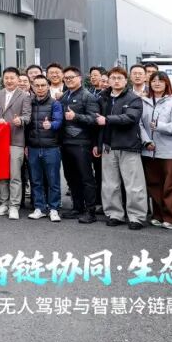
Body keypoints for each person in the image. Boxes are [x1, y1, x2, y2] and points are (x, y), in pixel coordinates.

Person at [95, 66, 148, 229]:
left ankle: (137, 217)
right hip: (108, 146)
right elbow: (97, 123)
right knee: (110, 184)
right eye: (113, 78)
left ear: (126, 81)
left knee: (134, 185)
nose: (116, 81)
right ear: (108, 80)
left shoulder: (133, 99)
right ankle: (114, 214)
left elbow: (131, 118)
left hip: (128, 146)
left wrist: (108, 119)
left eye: (120, 78)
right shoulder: (102, 98)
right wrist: (98, 144)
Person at [140, 72, 172, 230]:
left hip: (169, 151)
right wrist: (146, 141)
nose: (157, 83)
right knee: (154, 184)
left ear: (167, 84)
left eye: (160, 81)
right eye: (153, 81)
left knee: (170, 185)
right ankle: (158, 215)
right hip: (149, 150)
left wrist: (159, 126)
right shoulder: (144, 102)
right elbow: (139, 124)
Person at [0, 67, 30, 220]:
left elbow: (27, 116)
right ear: (3, 79)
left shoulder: (24, 96)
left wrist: (21, 120)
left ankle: (14, 206)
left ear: (18, 79)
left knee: (15, 175)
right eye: (6, 78)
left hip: (16, 140)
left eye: (12, 78)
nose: (9, 80)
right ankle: (4, 203)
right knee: (1, 175)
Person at [58, 66, 100, 224]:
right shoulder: (64, 96)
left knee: (86, 177)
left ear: (80, 78)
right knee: (71, 177)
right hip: (66, 142)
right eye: (66, 78)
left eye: (71, 77)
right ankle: (77, 207)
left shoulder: (88, 96)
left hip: (82, 143)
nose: (68, 80)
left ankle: (91, 211)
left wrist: (76, 116)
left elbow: (94, 119)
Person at [25, 74, 63, 222]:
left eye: (43, 85)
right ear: (32, 87)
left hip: (51, 147)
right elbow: (26, 127)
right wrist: (26, 145)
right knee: (36, 180)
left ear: (48, 87)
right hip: (33, 147)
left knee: (53, 180)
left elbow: (59, 121)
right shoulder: (29, 103)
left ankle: (54, 208)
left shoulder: (55, 104)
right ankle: (39, 208)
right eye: (37, 86)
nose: (40, 88)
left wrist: (51, 125)